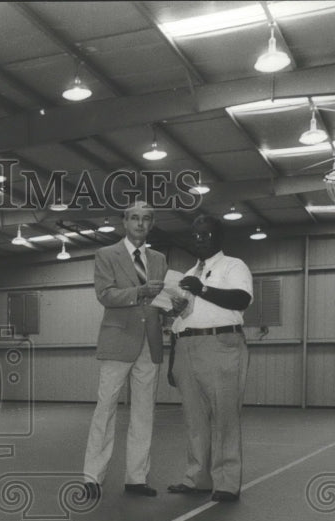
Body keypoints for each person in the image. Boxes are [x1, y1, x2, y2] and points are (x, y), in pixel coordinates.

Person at [81, 201, 167, 501]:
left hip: (150, 342)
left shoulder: (159, 258)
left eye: (145, 219)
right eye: (134, 218)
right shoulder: (106, 254)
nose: (140, 224)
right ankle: (92, 477)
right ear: (124, 223)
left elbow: (161, 299)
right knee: (105, 410)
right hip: (118, 341)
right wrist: (141, 292)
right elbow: (105, 294)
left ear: (151, 223)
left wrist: (173, 304)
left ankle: (137, 478)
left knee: (144, 413)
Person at [167, 214, 253, 503]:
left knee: (225, 416)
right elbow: (179, 319)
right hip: (184, 347)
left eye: (206, 234)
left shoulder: (234, 265)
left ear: (218, 237)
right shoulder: (187, 274)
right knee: (194, 419)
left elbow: (241, 299)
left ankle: (227, 483)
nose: (200, 239)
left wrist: (201, 289)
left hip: (220, 344)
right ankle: (197, 479)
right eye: (195, 235)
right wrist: (172, 361)